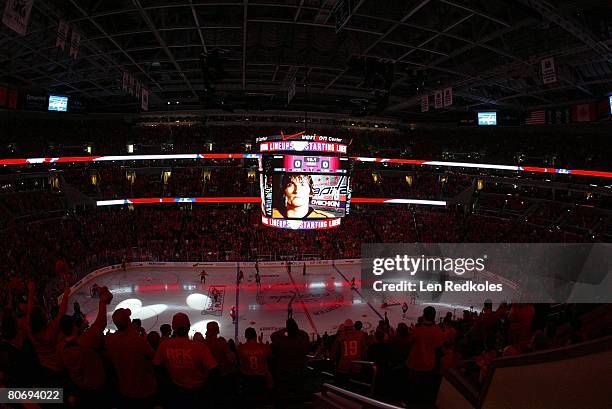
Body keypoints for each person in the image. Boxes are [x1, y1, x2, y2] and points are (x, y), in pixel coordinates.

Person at [58, 286, 112, 408]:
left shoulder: (60, 348)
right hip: (97, 385)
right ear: (74, 327)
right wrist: (102, 302)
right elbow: (101, 323)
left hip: (81, 390)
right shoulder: (85, 340)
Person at [153, 313, 218, 409]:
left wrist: (169, 382)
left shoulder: (164, 345)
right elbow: (214, 370)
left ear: (173, 328)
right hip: (197, 393)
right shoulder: (199, 347)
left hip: (175, 391)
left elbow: (156, 366)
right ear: (188, 327)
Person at [106, 307, 158, 409]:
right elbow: (154, 357)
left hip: (124, 389)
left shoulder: (110, 340)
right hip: (144, 389)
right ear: (129, 321)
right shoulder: (138, 341)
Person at [405, 306, 445, 406]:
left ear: (424, 315)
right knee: (424, 389)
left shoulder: (417, 330)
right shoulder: (438, 331)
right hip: (429, 366)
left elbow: (409, 341)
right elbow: (439, 348)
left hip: (415, 364)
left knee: (412, 389)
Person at [270, 319, 310, 407]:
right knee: (298, 396)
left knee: (284, 396)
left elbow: (273, 336)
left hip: (284, 372)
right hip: (299, 371)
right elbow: (307, 345)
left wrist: (284, 330)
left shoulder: (282, 340)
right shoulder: (303, 337)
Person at [237, 327, 271, 404]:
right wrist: (261, 342)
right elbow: (269, 355)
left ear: (246, 336)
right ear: (255, 336)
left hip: (247, 378)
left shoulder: (240, 348)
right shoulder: (264, 348)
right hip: (261, 378)